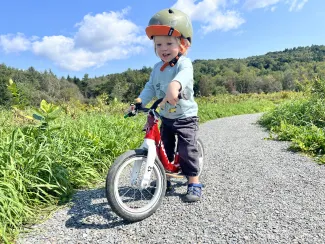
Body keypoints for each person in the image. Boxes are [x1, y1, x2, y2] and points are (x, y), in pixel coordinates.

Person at [132, 8, 202, 202]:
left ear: (183, 45)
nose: (163, 48)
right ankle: (166, 178)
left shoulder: (184, 64)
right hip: (167, 117)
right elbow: (150, 88)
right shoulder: (156, 69)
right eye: (158, 44)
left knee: (186, 150)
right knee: (165, 148)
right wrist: (139, 101)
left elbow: (184, 76)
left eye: (169, 43)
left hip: (185, 117)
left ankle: (194, 182)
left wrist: (175, 85)